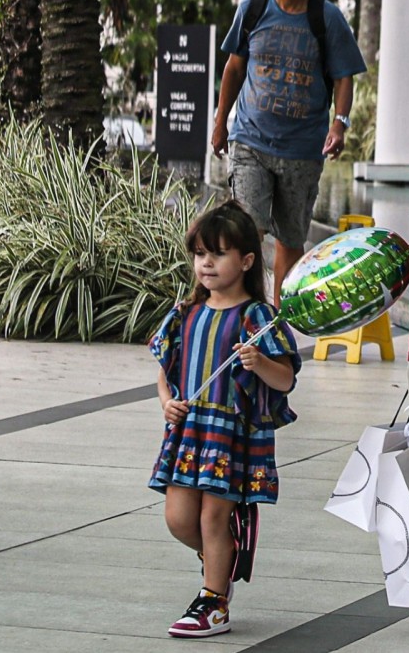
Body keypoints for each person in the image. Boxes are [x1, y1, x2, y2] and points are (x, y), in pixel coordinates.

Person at [147, 200, 302, 638]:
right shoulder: (185, 313)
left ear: (247, 260)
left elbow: (286, 379)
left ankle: (213, 601)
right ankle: (223, 558)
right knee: (179, 519)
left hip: (230, 434)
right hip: (189, 429)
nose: (206, 263)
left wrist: (258, 363)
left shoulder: (258, 319)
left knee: (213, 518)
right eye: (199, 254)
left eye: (218, 254)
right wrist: (166, 402)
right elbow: (165, 370)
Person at [211, 0, 367, 305]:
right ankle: (246, 313)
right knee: (247, 233)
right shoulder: (253, 10)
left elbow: (345, 76)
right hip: (251, 140)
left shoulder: (326, 17)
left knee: (290, 240)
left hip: (302, 149)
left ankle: (277, 322)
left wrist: (339, 124)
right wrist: (220, 123)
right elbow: (234, 68)